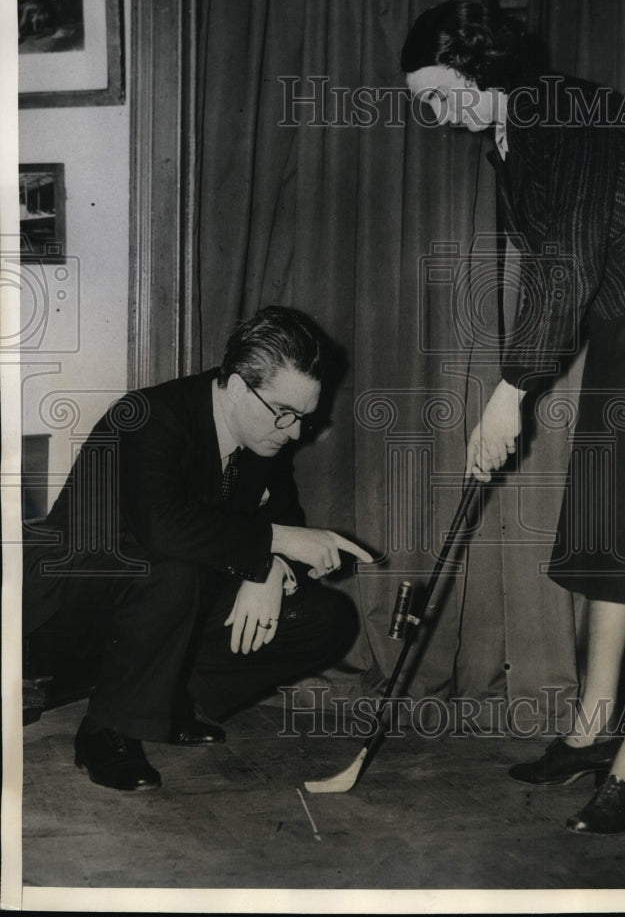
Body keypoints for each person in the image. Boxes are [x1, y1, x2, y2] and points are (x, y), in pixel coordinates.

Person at [401, 1, 625, 834]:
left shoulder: (564, 114)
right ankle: (592, 732)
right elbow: (557, 267)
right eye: (425, 101)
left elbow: (562, 263)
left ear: (482, 66)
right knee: (610, 530)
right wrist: (520, 380)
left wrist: (512, 389)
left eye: (442, 93)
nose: (435, 113)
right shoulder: (516, 128)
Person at [23, 305, 370, 792]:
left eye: (303, 419)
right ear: (234, 383)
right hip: (70, 610)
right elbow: (161, 529)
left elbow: (283, 518)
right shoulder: (147, 417)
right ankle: (107, 730)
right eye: (285, 414)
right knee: (172, 570)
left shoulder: (263, 436)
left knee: (325, 617)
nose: (294, 432)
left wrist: (267, 566)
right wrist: (272, 547)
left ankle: (170, 705)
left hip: (166, 600)